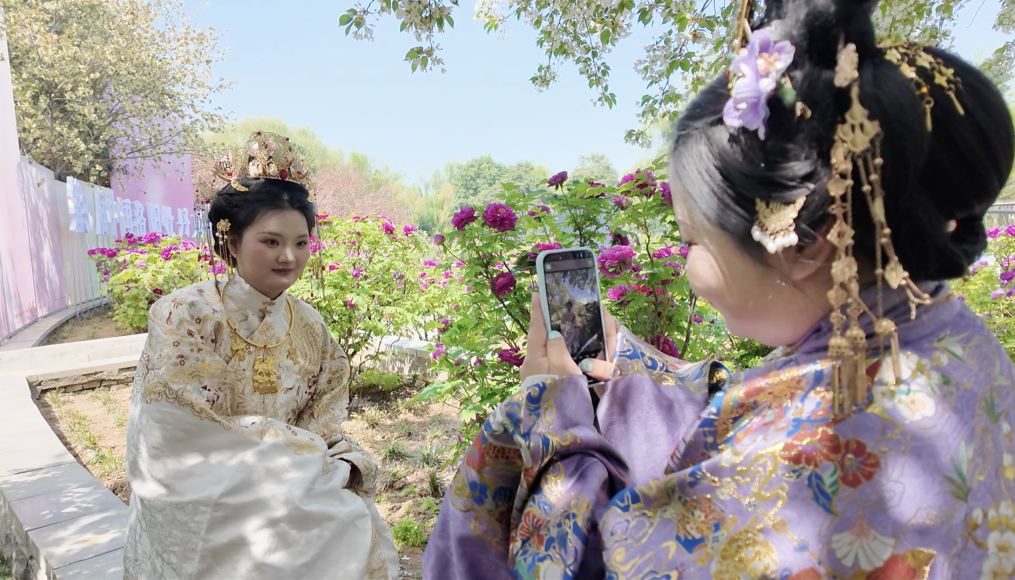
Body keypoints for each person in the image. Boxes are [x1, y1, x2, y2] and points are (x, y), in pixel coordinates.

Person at [422, 0, 1015, 576]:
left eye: (692, 242)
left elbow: (611, 561)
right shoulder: (952, 342)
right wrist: (638, 367)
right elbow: (769, 405)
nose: (687, 267)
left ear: (804, 243)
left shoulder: (817, 451)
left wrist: (550, 414)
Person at [123, 132, 399, 580]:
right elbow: (176, 429)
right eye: (271, 242)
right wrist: (289, 456)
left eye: (301, 243)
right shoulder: (185, 313)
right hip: (209, 489)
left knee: (346, 520)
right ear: (232, 242)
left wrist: (308, 465)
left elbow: (324, 415)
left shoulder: (310, 324)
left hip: (295, 482)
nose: (289, 256)